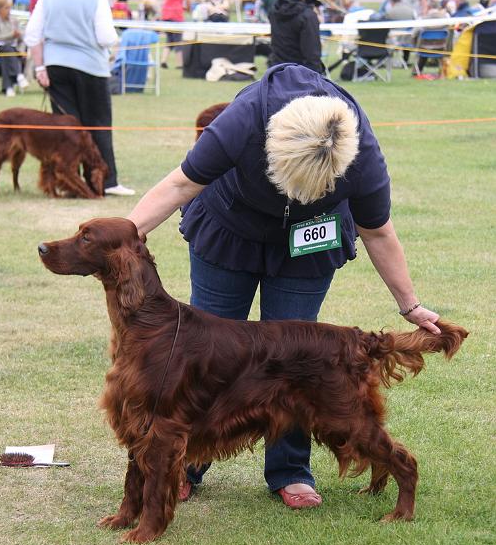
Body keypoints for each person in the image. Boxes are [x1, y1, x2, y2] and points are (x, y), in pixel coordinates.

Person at [126, 62, 441, 508]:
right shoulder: (244, 119)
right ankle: (185, 465)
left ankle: (290, 469)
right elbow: (179, 185)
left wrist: (410, 306)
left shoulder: (362, 154)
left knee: (297, 357)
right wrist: (123, 237)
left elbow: (378, 231)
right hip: (231, 227)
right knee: (204, 351)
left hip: (309, 239)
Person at [25, 0, 134, 196]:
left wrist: (40, 68)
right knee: (97, 125)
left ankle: (69, 181)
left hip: (55, 67)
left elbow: (32, 34)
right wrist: (114, 43)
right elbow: (106, 37)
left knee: (67, 129)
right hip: (91, 68)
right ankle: (106, 181)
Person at [268, 0, 324, 74]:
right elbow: (312, 58)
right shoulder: (307, 16)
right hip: (301, 79)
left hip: (276, 75)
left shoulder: (275, 9)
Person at [160, 0, 191, 70]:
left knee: (169, 38)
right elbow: (188, 1)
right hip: (176, 14)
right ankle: (179, 64)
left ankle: (163, 60)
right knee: (178, 39)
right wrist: (188, 9)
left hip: (166, 13)